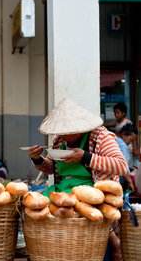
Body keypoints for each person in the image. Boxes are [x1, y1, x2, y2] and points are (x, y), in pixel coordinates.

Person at [28, 98, 127, 261]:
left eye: (67, 132)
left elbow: (121, 166)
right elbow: (50, 168)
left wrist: (86, 157)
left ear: (79, 127)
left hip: (92, 191)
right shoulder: (59, 141)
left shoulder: (102, 137)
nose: (63, 136)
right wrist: (37, 159)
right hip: (62, 192)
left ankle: (113, 241)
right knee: (35, 208)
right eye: (60, 132)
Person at [114, 102, 138, 168]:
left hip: (129, 148)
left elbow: (133, 137)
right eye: (115, 113)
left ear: (123, 113)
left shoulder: (128, 122)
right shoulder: (117, 124)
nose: (116, 115)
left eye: (118, 112)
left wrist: (135, 149)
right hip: (122, 147)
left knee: (129, 164)